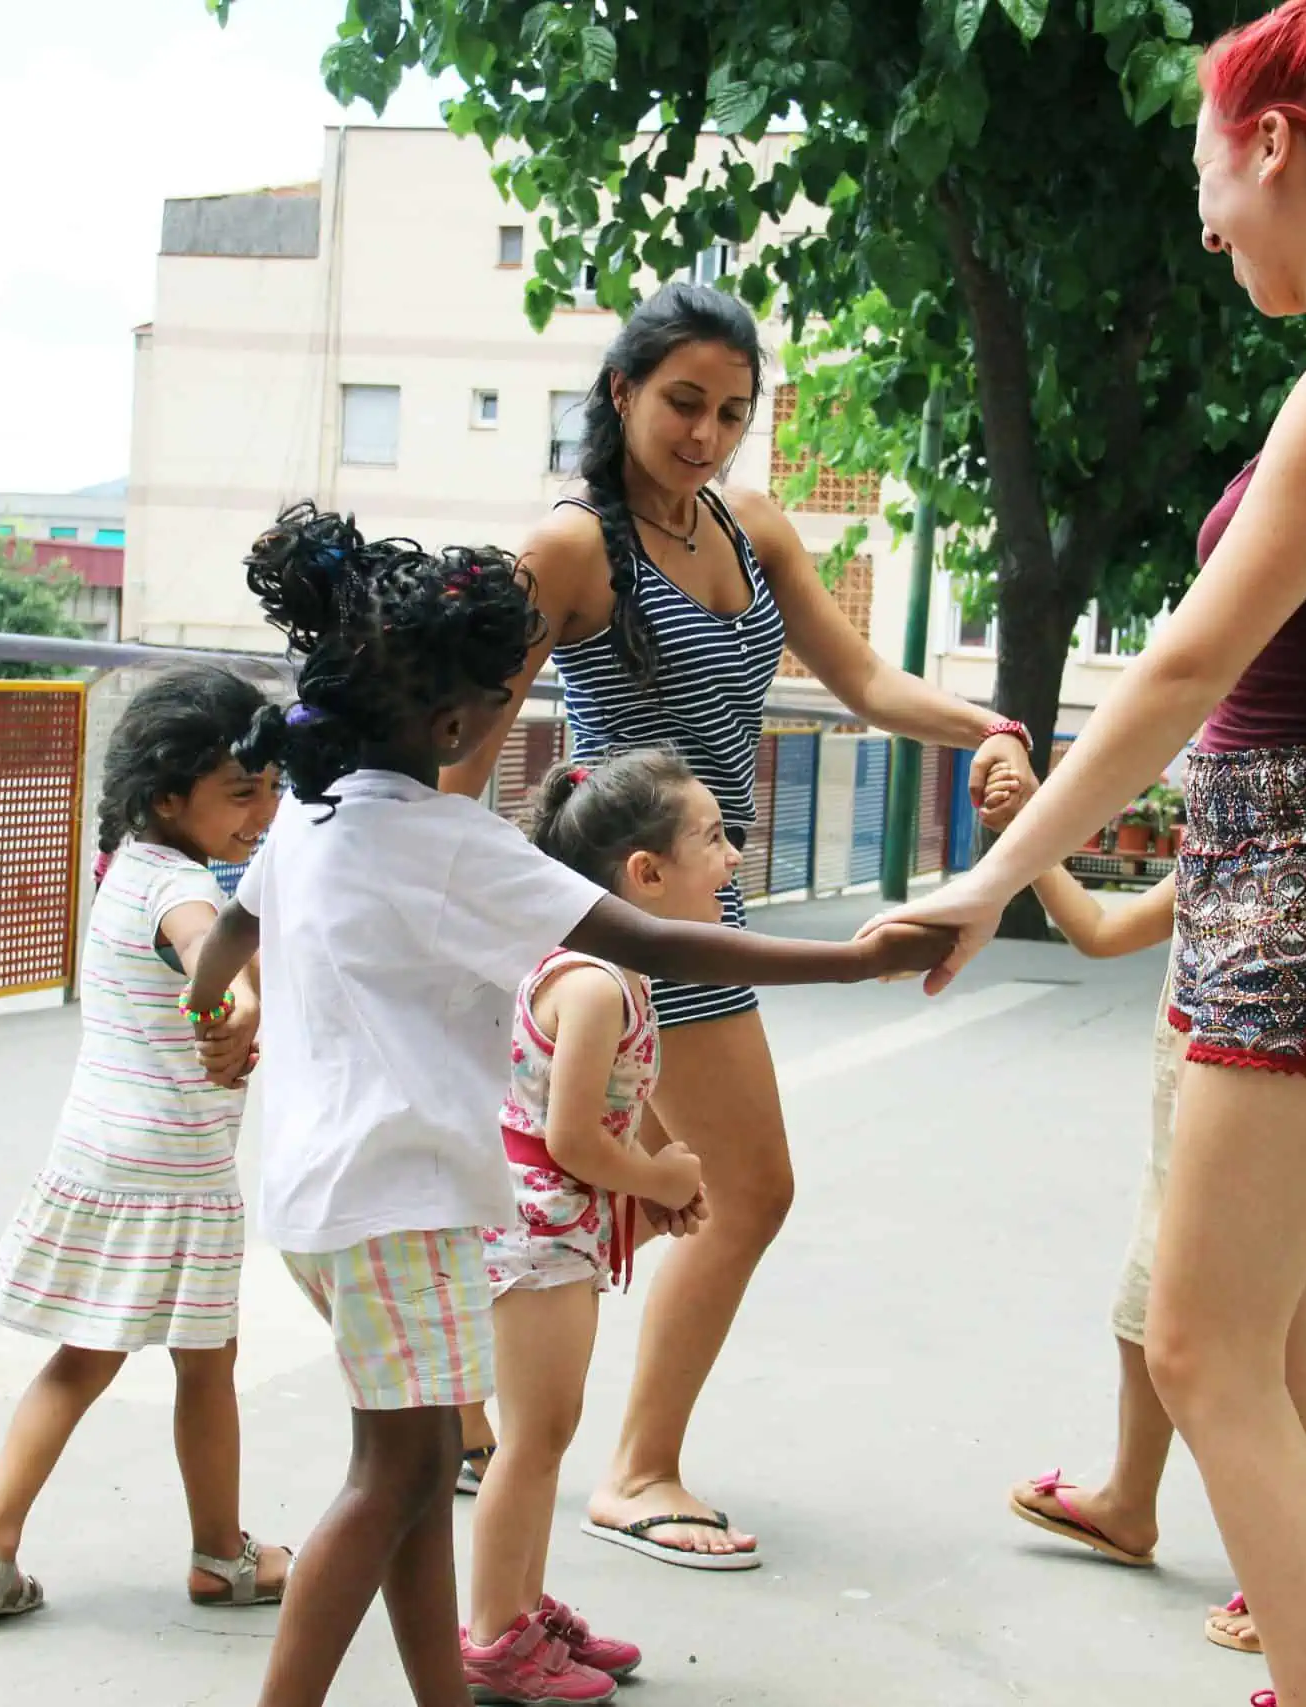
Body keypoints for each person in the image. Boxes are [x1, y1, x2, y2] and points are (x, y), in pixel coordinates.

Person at [872, 2, 1306, 1702]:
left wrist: (991, 878)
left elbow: (1184, 669)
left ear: (1274, 145)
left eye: (1207, 179)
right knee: (1279, 1354)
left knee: (1207, 1349)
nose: (1210, 226)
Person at [180, 505, 952, 1707]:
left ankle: (445, 1692)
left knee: (418, 1467)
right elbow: (657, 941)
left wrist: (212, 1015)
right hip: (399, 1204)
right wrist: (856, 963)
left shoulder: (310, 822)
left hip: (324, 1201)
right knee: (390, 1477)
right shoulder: (449, 839)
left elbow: (229, 936)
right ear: (455, 722)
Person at [441, 280, 1039, 1566]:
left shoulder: (749, 525)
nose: (704, 434)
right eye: (680, 404)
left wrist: (989, 728)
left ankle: (470, 1415)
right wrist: (462, 923)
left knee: (608, 1194)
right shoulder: (572, 548)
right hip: (627, 912)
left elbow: (862, 679)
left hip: (703, 896)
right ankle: (636, 1471)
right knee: (742, 1190)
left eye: (730, 411)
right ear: (620, 393)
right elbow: (464, 754)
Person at [0, 663, 290, 1619]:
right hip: (176, 1174)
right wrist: (233, 1004)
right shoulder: (181, 884)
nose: (264, 811)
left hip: (97, 1156)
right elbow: (206, 950)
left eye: (271, 787)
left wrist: (230, 1000)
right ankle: (221, 1554)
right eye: (242, 793)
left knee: (80, 1360)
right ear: (170, 796)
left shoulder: (126, 866)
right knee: (206, 1367)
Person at [993, 855, 1306, 1658]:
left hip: (1262, 1085)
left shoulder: (1284, 838)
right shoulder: (1230, 839)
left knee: (1267, 1372)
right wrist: (1026, 845)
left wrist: (1011, 854)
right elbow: (1103, 928)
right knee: (1188, 1333)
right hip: (1217, 1096)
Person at [463, 749, 740, 1701]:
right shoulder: (591, 985)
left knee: (548, 1431)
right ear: (646, 873)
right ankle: (494, 1635)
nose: (733, 857)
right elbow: (571, 1136)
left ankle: (522, 1608)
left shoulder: (620, 973)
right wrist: (657, 1174)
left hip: (559, 1232)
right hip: (537, 1239)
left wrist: (654, 1189)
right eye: (714, 838)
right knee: (532, 1438)